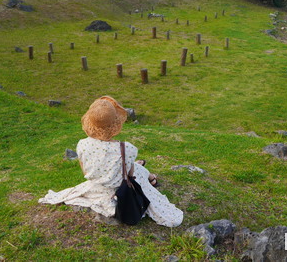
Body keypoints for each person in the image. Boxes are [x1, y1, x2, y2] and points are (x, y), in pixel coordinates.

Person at [39, 96, 183, 227]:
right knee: (134, 168)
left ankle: (145, 172)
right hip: (121, 188)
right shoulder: (126, 148)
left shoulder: (82, 144)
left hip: (97, 184)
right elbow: (130, 176)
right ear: (115, 124)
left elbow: (85, 170)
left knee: (133, 166)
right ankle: (151, 177)